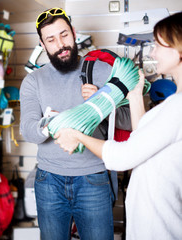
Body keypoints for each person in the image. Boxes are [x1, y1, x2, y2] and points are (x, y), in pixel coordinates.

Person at [55, 12, 182, 240]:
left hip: (161, 229)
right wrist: (134, 95)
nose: (153, 52)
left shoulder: (177, 109)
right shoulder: (174, 106)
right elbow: (143, 138)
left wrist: (77, 135)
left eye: (160, 45)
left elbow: (124, 156)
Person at [19, 7, 132, 240]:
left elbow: (130, 120)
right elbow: (28, 130)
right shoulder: (33, 81)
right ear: (43, 44)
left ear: (74, 32)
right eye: (51, 39)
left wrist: (102, 101)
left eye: (64, 35)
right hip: (48, 181)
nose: (60, 44)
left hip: (93, 180)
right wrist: (54, 123)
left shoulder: (103, 71)